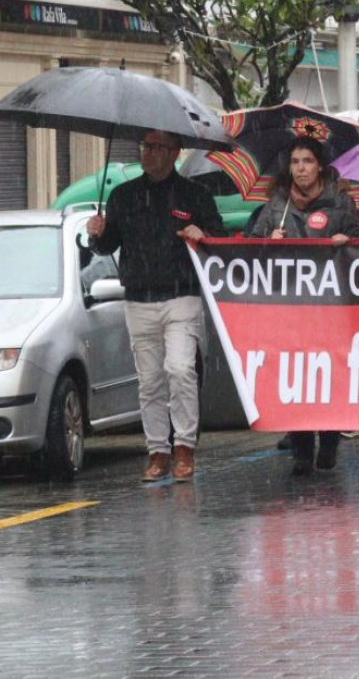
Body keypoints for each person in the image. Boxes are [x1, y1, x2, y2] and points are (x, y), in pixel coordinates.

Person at [86, 130, 224, 483]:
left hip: (182, 296)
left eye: (157, 147)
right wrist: (98, 233)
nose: (148, 153)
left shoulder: (196, 195)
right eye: (145, 147)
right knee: (149, 381)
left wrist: (202, 235)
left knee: (180, 370)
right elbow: (105, 248)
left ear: (175, 152)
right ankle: (157, 451)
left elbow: (217, 240)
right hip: (138, 299)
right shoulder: (123, 196)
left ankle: (184, 448)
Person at [250, 136, 359, 476]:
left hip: (331, 309)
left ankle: (329, 440)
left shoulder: (341, 204)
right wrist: (268, 243)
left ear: (320, 166)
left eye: (307, 161)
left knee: (328, 374)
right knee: (297, 375)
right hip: (290, 308)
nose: (301, 168)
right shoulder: (276, 207)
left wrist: (349, 243)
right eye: (296, 162)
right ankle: (301, 448)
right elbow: (250, 250)